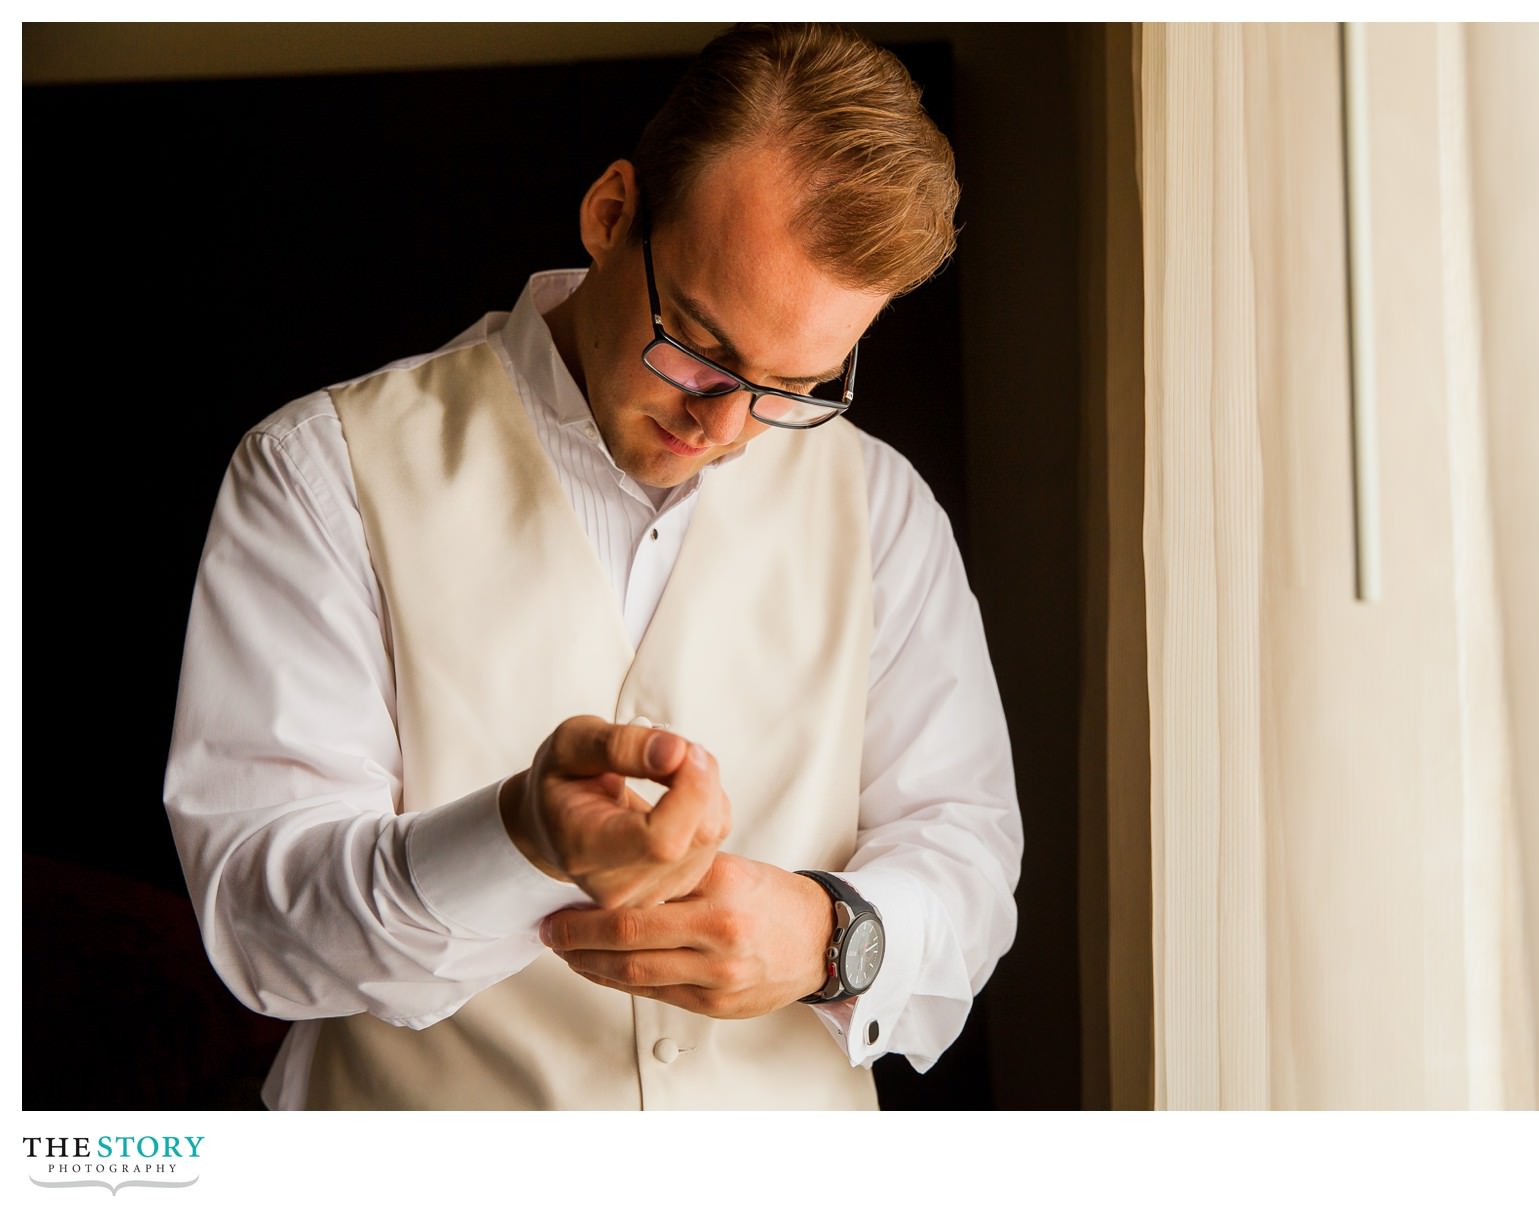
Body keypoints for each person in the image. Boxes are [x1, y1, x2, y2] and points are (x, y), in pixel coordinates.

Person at [164, 22, 1021, 1110]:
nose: (726, 422)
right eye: (701, 347)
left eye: (795, 386)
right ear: (612, 215)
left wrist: (833, 935)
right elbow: (259, 924)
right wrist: (515, 837)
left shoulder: (882, 506)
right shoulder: (318, 471)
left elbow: (968, 855)